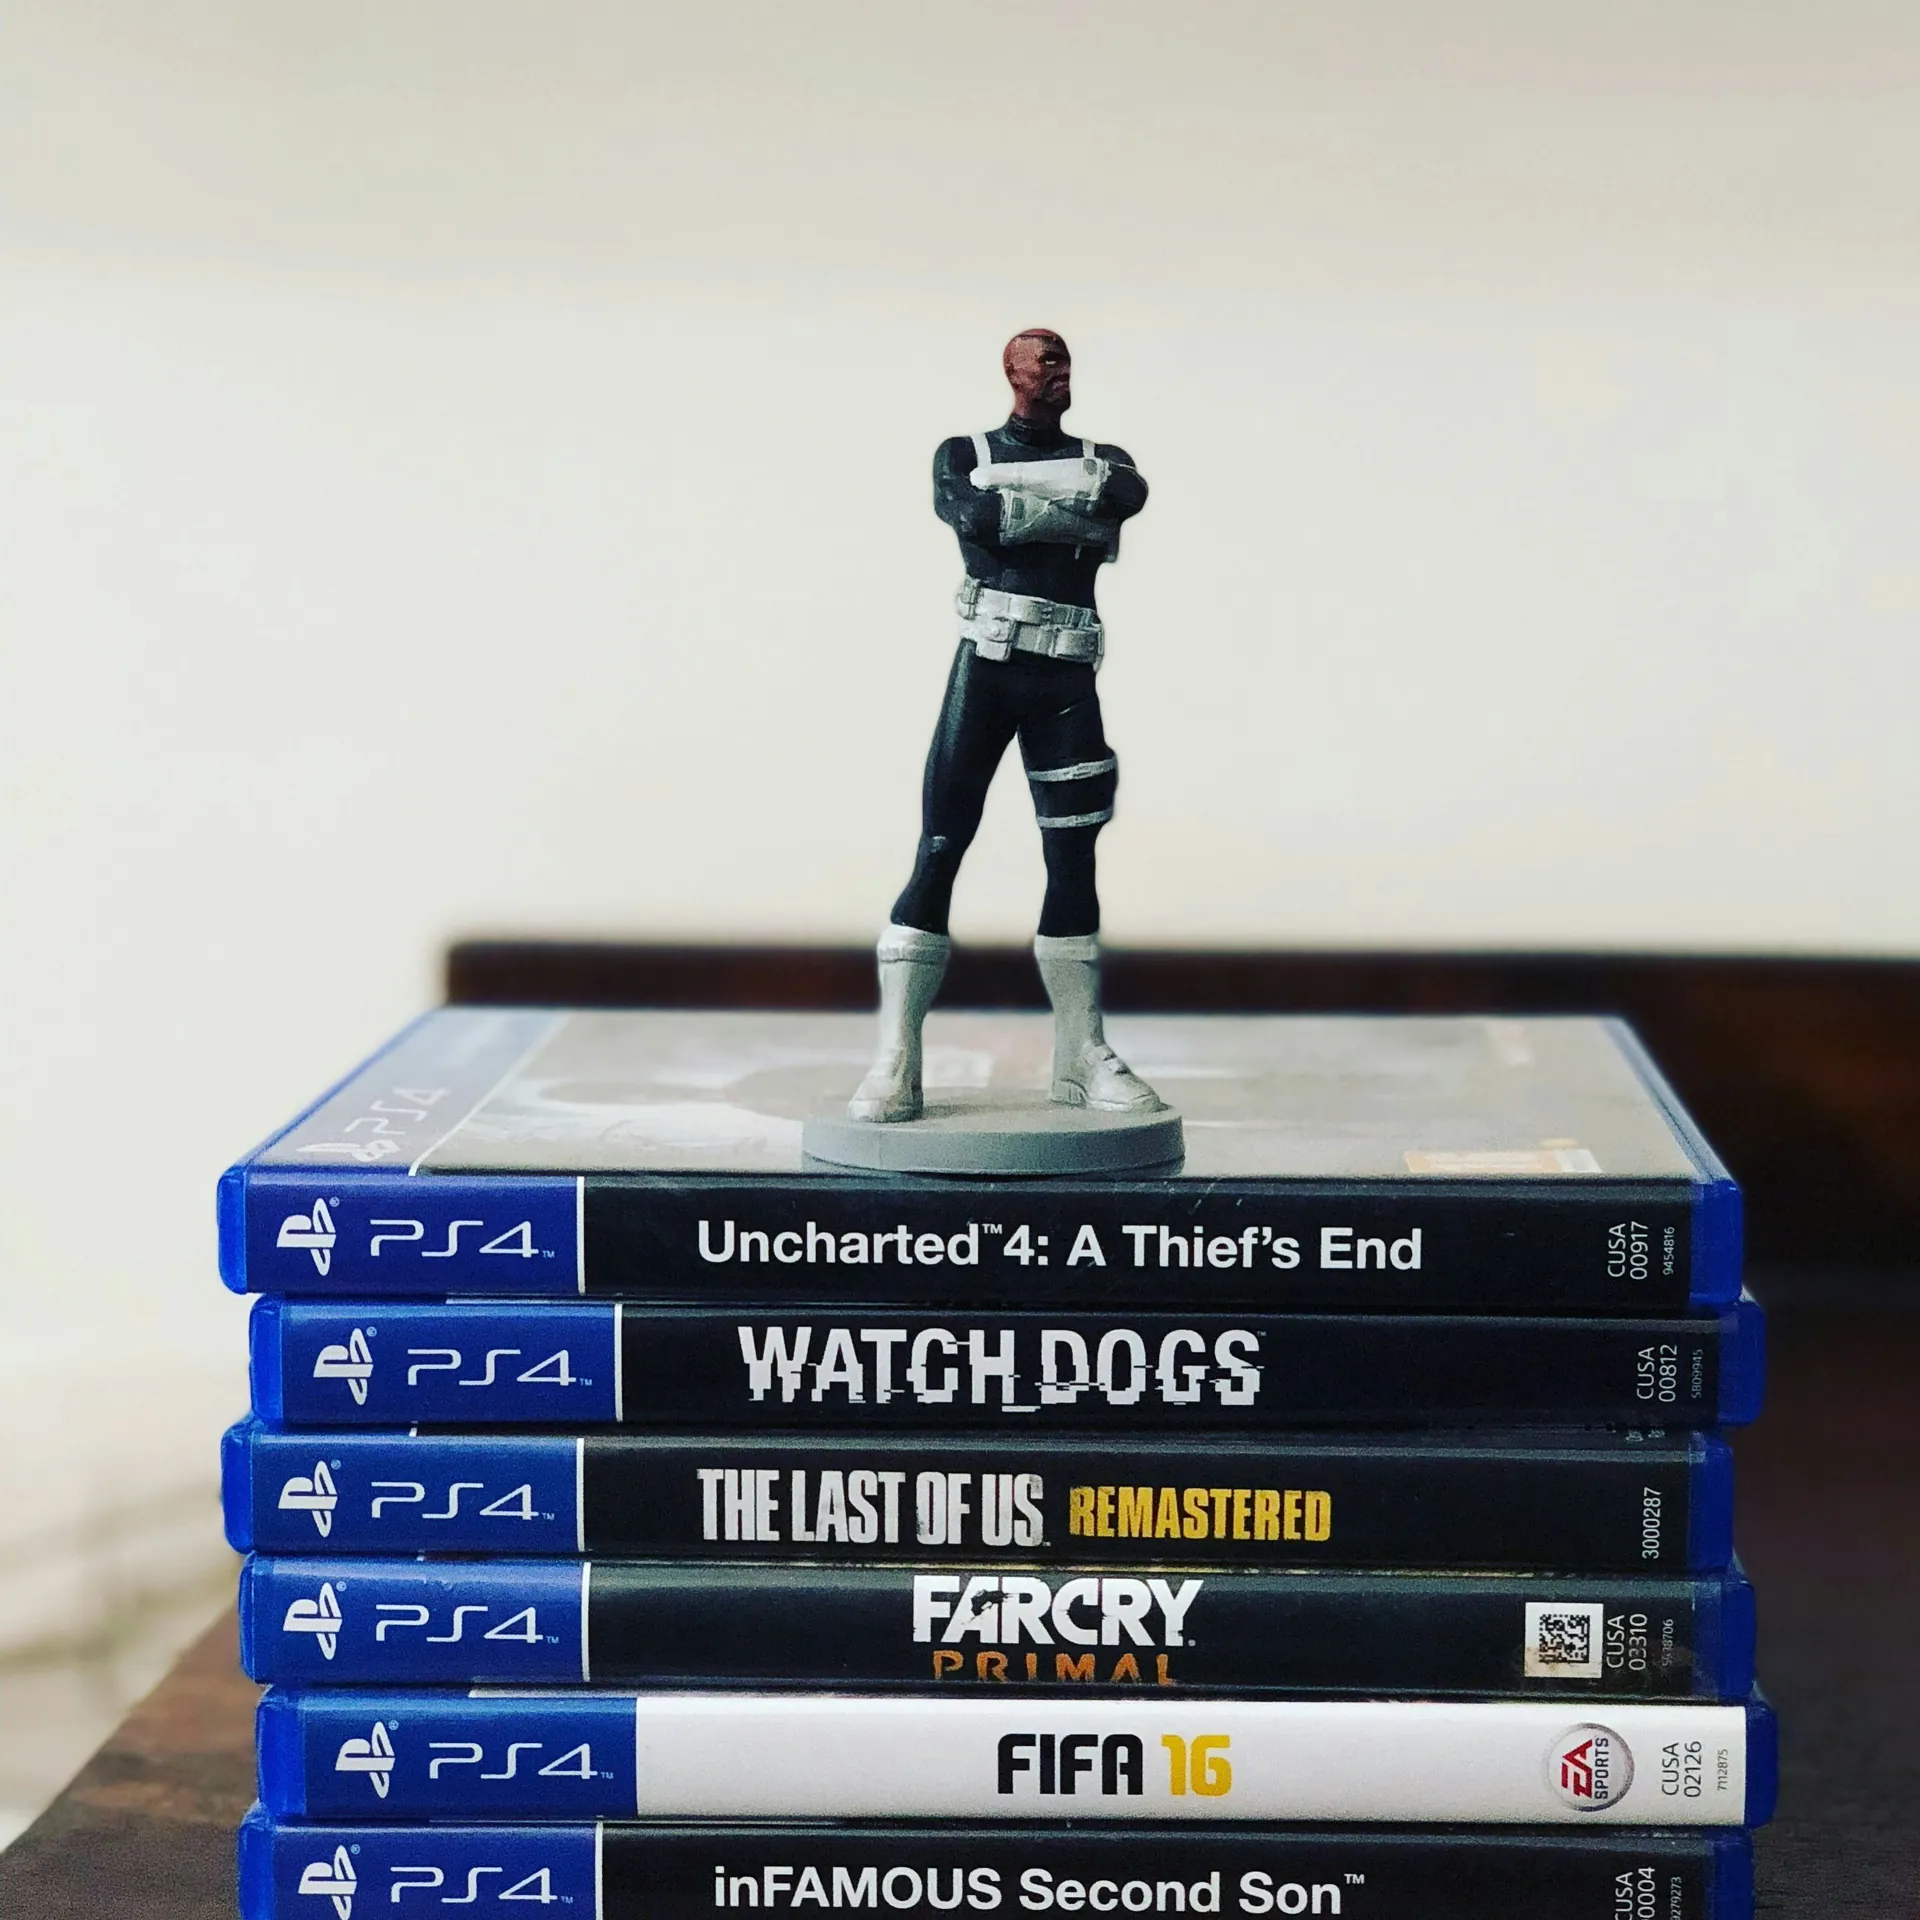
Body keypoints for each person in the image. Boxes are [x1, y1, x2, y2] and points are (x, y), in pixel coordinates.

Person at [850, 329, 1165, 1123]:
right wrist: (1070, 508)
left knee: (1073, 860)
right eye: (1046, 361)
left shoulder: (1107, 457)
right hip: (986, 673)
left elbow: (1123, 498)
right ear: (1013, 371)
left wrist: (1023, 509)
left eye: (1067, 360)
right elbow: (973, 513)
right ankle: (896, 1056)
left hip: (1067, 680)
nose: (1062, 372)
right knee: (940, 846)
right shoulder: (964, 452)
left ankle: (1082, 1054)